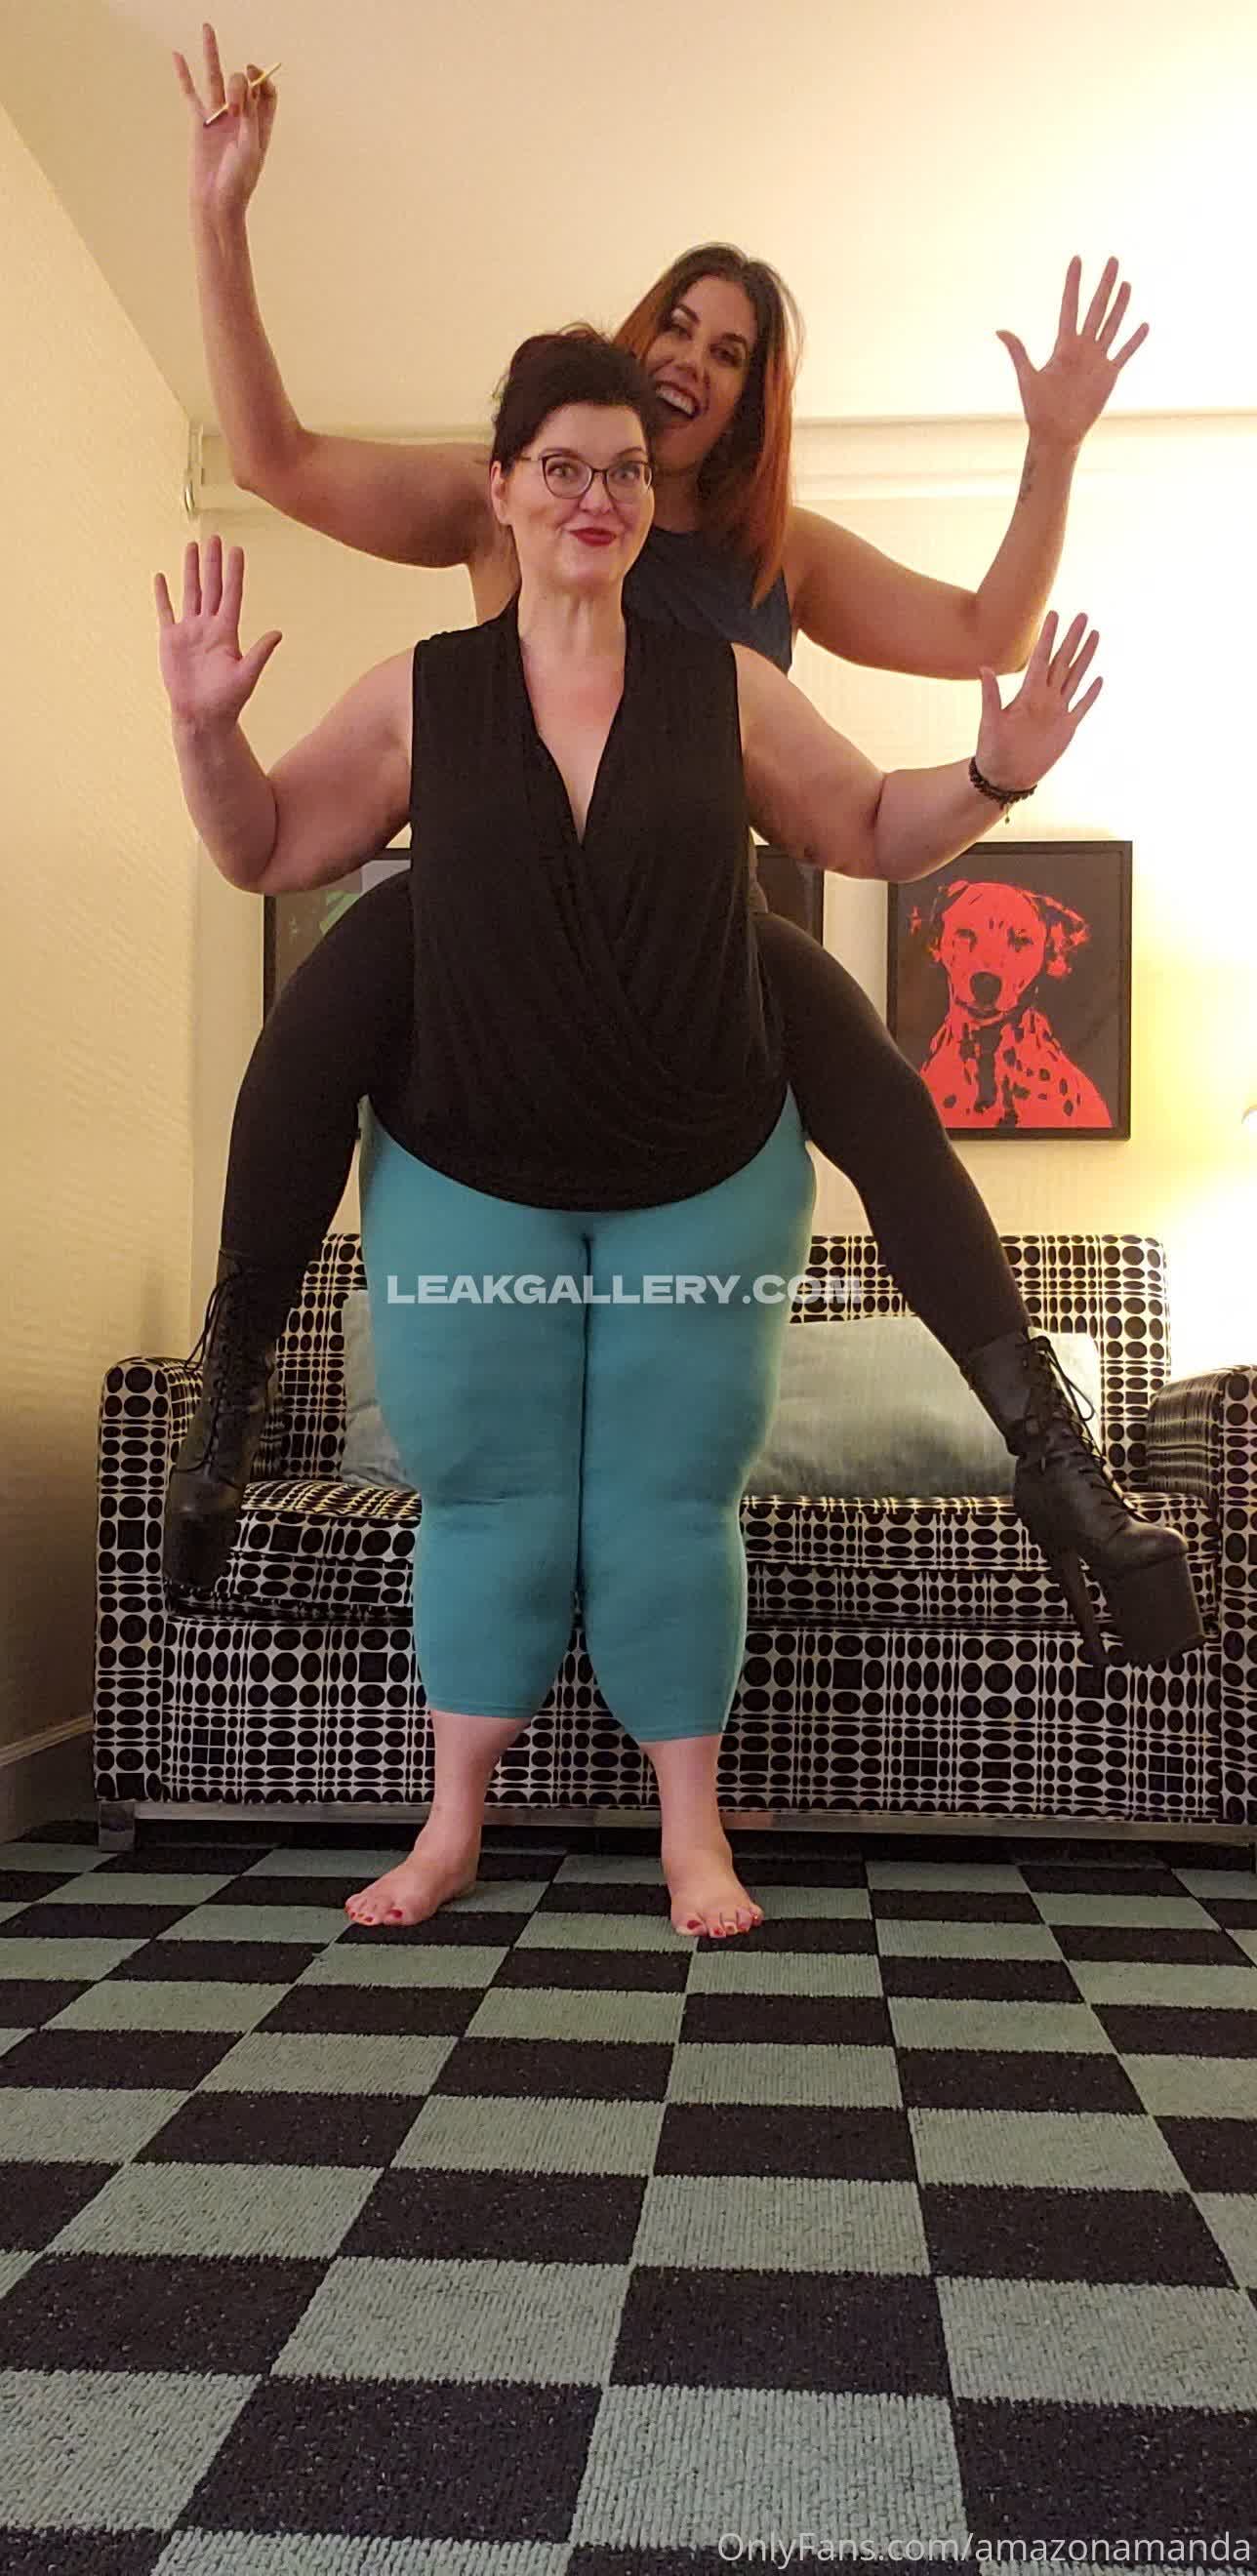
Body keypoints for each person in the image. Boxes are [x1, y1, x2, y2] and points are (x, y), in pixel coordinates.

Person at [163, 31, 1200, 1689]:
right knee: (326, 1006)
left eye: (731, 353)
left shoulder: (773, 563)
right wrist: (219, 217)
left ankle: (1054, 1460)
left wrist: (1057, 449)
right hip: (495, 918)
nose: (693, 363)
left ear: (746, 403)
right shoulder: (508, 498)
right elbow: (276, 461)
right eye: (680, 327)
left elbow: (980, 646)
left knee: (878, 1090)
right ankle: (226, 1404)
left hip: (696, 939)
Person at [155, 329, 1108, 1938]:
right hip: (471, 1162)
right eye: (563, 467)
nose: (595, 496)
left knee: (671, 1500)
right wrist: (202, 729)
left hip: (699, 1161)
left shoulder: (722, 686)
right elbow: (267, 846)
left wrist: (995, 772)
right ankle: (449, 1830)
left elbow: (874, 825)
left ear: (650, 502)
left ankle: (693, 1837)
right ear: (503, 489)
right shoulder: (422, 692)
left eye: (625, 472)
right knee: (490, 1501)